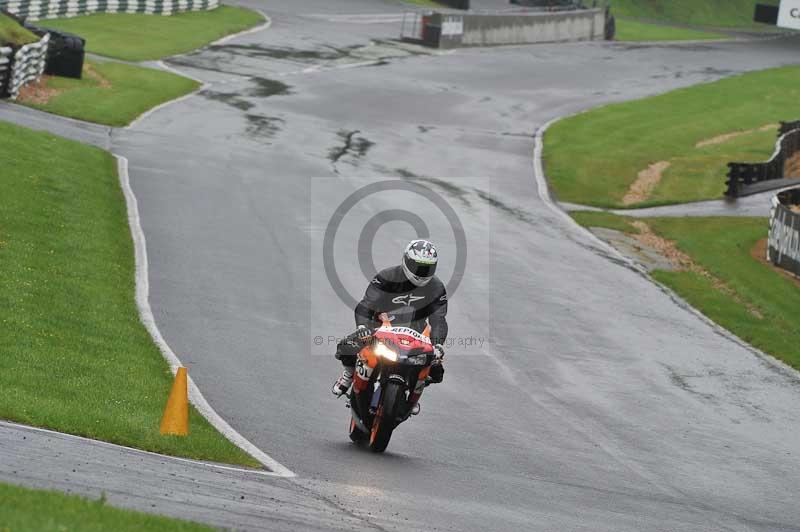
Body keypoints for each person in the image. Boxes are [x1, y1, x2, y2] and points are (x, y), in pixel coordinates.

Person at [332, 239, 447, 396]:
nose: (422, 272)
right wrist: (363, 327)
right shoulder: (386, 276)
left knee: (436, 369)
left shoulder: (437, 287)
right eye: (418, 266)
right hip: (379, 327)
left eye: (427, 268)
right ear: (406, 260)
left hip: (415, 334)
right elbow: (367, 304)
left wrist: (438, 345)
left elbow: (439, 319)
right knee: (346, 346)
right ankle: (349, 374)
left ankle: (414, 393)